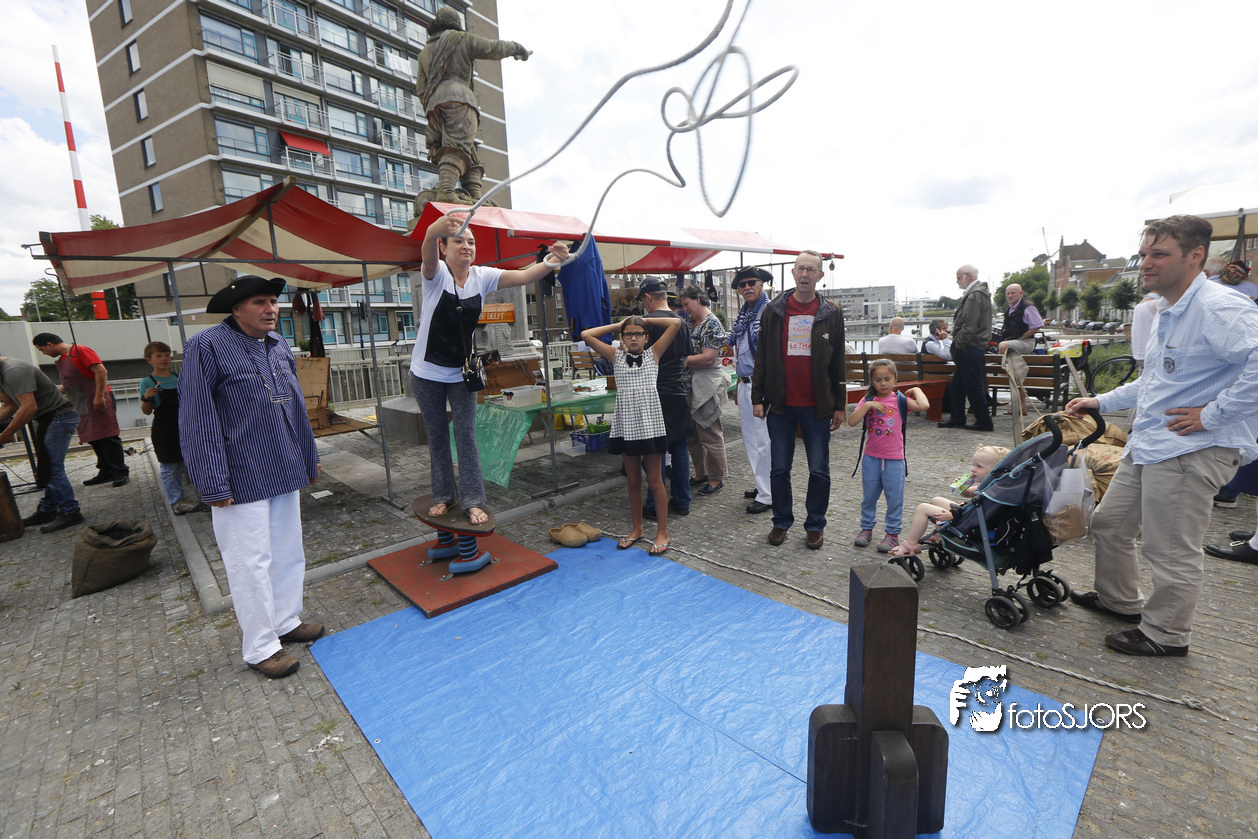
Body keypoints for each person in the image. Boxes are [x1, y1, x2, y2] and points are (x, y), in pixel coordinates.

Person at [1065, 214, 1258, 657]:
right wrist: (1101, 401)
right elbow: (1154, 381)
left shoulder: (1219, 307)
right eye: (1144, 254)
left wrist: (1212, 414)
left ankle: (1166, 634)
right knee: (1110, 524)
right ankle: (1119, 601)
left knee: (1169, 548)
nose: (1146, 263)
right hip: (1151, 443)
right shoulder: (1168, 310)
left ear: (1195, 256)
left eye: (1159, 254)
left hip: (1192, 448)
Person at [180, 275, 324, 679]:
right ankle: (261, 646)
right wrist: (212, 481)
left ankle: (285, 620)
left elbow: (295, 405)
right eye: (260, 302)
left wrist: (308, 457)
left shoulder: (277, 343)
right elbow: (196, 417)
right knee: (250, 563)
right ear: (236, 309)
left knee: (288, 551)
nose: (271, 309)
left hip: (283, 464)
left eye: (273, 301)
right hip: (240, 473)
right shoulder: (205, 346)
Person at [410, 213, 569, 529]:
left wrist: (553, 260)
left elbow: (525, 276)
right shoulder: (436, 274)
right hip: (426, 373)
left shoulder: (482, 276)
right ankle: (444, 495)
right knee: (438, 435)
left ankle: (473, 500)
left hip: (462, 374)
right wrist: (431, 231)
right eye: (459, 241)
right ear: (444, 248)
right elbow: (426, 256)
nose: (466, 246)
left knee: (466, 436)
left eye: (471, 242)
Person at [751, 250, 846, 550]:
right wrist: (757, 397)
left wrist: (840, 404)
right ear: (793, 272)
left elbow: (839, 361)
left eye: (811, 269)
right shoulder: (774, 310)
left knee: (819, 470)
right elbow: (762, 357)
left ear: (820, 275)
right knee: (780, 468)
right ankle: (781, 521)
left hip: (818, 406)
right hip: (781, 405)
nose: (805, 274)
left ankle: (815, 524)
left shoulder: (832, 312)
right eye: (800, 268)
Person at [581, 315, 682, 556]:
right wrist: (619, 325)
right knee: (633, 481)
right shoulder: (615, 356)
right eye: (629, 334)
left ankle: (662, 532)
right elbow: (586, 335)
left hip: (650, 426)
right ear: (622, 338)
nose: (633, 338)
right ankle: (637, 529)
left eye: (638, 333)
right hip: (627, 426)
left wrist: (643, 319)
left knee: (655, 481)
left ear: (647, 338)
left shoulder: (653, 354)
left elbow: (675, 323)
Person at [416, 8, 530, 203]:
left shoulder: (424, 53)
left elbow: (421, 89)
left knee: (467, 149)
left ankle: (475, 195)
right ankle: (446, 190)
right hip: (459, 99)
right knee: (458, 146)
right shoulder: (460, 39)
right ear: (455, 24)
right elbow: (492, 48)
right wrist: (517, 48)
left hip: (434, 105)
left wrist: (434, 105)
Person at [847, 358, 929, 553]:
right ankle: (866, 528)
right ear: (871, 381)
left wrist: (916, 389)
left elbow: (924, 405)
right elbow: (851, 422)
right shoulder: (867, 401)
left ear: (895, 379)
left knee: (894, 499)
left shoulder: (900, 400)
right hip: (871, 458)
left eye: (887, 379)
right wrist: (868, 406)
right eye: (877, 380)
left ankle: (892, 533)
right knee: (869, 497)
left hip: (894, 460)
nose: (883, 383)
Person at [32, 333, 129, 487]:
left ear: (49, 344)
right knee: (94, 437)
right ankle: (106, 471)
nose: (43, 353)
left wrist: (99, 396)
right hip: (82, 401)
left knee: (107, 436)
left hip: (97, 397)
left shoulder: (80, 351)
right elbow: (71, 383)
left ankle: (120, 471)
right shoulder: (64, 358)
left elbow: (101, 371)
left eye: (42, 349)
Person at [0, 354, 82, 533]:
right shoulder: (2, 375)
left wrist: (8, 432)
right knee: (47, 466)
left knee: (53, 467)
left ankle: (71, 511)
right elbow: (9, 405)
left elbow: (29, 406)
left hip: (59, 417)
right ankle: (47, 510)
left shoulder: (13, 370)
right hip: (50, 418)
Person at [637, 278, 693, 520]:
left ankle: (653, 505)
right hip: (677, 391)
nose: (643, 305)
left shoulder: (646, 323)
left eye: (642, 300)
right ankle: (682, 502)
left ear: (648, 297)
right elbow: (685, 361)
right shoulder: (681, 322)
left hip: (653, 392)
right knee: (679, 448)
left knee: (655, 450)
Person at [889, 445, 1008, 557]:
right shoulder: (992, 486)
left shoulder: (991, 492)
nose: (973, 469)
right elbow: (969, 493)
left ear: (995, 470)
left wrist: (952, 516)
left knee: (923, 508)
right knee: (936, 500)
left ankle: (910, 545)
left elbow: (983, 514)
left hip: (969, 521)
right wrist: (962, 488)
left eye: (979, 466)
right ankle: (938, 536)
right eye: (974, 465)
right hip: (969, 514)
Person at [138, 342, 206, 516]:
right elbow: (146, 411)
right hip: (164, 430)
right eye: (159, 356)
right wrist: (146, 398)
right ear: (149, 360)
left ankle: (190, 496)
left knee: (185, 463)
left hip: (185, 427)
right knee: (169, 467)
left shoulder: (179, 377)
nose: (164, 359)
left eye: (167, 355)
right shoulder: (147, 382)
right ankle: (176, 501)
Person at [728, 266, 773, 514]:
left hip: (762, 385)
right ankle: (761, 484)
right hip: (745, 381)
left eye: (751, 283)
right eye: (742, 285)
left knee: (764, 441)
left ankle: (768, 495)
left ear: (761, 284)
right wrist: (738, 383)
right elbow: (741, 353)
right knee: (751, 439)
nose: (747, 288)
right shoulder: (744, 314)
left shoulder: (770, 311)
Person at [679, 286, 729, 497]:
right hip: (688, 386)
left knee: (710, 433)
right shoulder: (690, 322)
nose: (685, 309)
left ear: (698, 299)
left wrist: (681, 361)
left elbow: (708, 358)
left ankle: (716, 478)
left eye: (686, 304)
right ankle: (701, 473)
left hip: (705, 385)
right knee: (692, 436)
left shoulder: (712, 323)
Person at [938, 264, 993, 432]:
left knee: (973, 386)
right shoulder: (977, 293)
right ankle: (957, 418)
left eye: (958, 278)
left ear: (967, 276)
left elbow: (970, 325)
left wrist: (959, 344)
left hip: (970, 347)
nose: (957, 282)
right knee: (958, 385)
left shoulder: (974, 295)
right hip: (972, 346)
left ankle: (984, 421)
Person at [995, 284, 1044, 415]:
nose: (1010, 296)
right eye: (1008, 294)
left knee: (1003, 346)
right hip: (1014, 342)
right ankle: (1021, 406)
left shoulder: (1027, 307)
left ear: (1021, 293)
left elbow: (1037, 325)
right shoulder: (1010, 309)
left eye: (1013, 293)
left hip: (1026, 342)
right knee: (1016, 374)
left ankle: (1004, 371)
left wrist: (1021, 338)